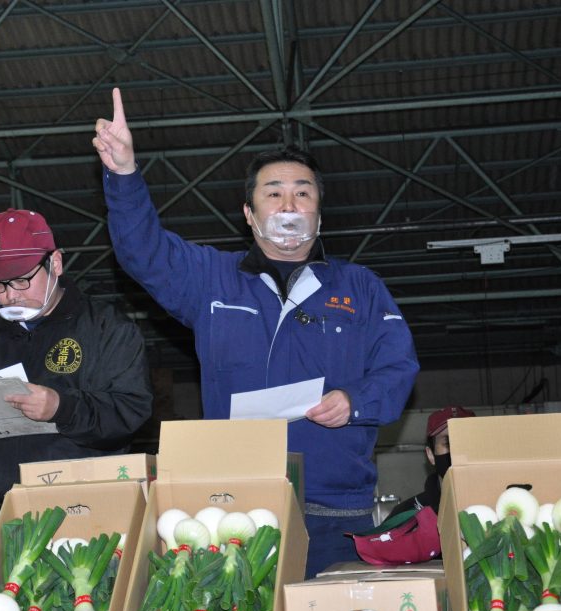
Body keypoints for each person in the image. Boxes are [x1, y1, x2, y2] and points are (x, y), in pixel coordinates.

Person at [93, 88, 419, 578]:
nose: (289, 203)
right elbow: (143, 251)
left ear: (319, 213)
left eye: (303, 193)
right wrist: (123, 175)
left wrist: (355, 401)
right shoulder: (211, 279)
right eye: (273, 193)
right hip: (234, 506)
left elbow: (398, 366)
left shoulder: (361, 288)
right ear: (249, 214)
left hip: (335, 511)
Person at [0, 208, 153, 580]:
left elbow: (130, 411)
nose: (10, 294)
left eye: (21, 280)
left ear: (55, 263)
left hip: (86, 512)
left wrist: (62, 408)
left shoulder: (106, 329)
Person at [387, 405, 477, 519]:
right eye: (448, 443)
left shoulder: (497, 504)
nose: (458, 450)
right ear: (431, 455)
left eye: (465, 441)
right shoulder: (406, 516)